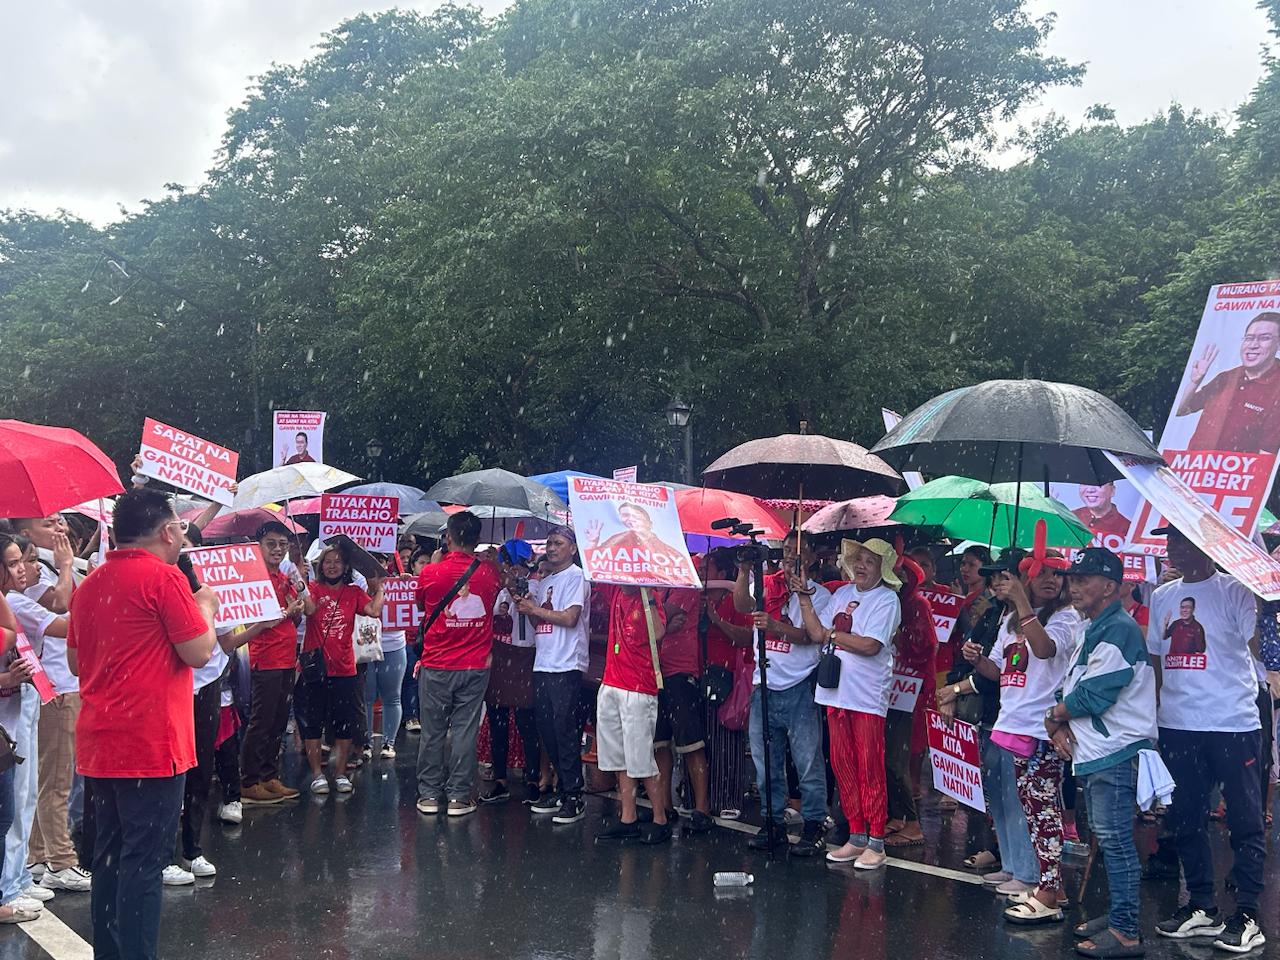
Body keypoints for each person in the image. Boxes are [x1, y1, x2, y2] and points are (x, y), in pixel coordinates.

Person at [67, 489, 219, 960]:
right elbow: (199, 650)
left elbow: (75, 661)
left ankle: (110, 953)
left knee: (109, 860)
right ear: (167, 530)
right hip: (152, 745)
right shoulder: (165, 579)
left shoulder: (91, 583)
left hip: (101, 741)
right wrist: (208, 607)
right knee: (143, 864)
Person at [1148, 525, 1266, 952]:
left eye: (1181, 539)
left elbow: (1259, 647)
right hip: (1179, 724)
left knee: (1244, 819)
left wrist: (1264, 594)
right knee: (1184, 817)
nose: (1173, 548)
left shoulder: (1236, 590)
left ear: (1206, 546)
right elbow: (1157, 661)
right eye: (1169, 540)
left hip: (1232, 724)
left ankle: (1248, 912)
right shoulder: (1161, 597)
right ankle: (1201, 905)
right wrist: (1156, 718)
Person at [1046, 547, 1157, 957]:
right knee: (1106, 838)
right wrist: (1058, 718)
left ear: (1110, 586)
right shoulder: (1093, 626)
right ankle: (1116, 918)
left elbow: (1094, 694)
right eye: (1072, 579)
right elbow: (1073, 682)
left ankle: (1126, 930)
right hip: (1094, 751)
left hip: (1113, 750)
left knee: (1115, 841)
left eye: (1084, 579)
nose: (1073, 586)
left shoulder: (1119, 629)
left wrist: (1053, 716)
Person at [965, 543, 1078, 923]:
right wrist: (976, 659)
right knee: (1020, 809)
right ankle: (1027, 873)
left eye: (1056, 573)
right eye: (1042, 572)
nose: (1051, 580)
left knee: (1043, 813)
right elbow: (998, 672)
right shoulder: (1012, 622)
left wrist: (1021, 603)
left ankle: (1043, 884)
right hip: (1010, 723)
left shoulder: (1066, 617)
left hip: (1042, 729)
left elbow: (1044, 650)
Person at [795, 538, 901, 870]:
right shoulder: (842, 594)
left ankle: (877, 841)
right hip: (835, 692)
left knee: (870, 768)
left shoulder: (887, 599)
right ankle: (856, 836)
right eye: (859, 559)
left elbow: (870, 645)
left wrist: (833, 636)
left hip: (866, 696)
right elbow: (815, 632)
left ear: (882, 568)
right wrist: (802, 597)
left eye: (870, 561)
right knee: (842, 764)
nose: (861, 566)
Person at [732, 532, 832, 855]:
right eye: (787, 549)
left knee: (807, 761)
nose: (791, 555)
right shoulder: (769, 583)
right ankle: (771, 821)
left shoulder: (822, 596)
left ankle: (815, 823)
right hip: (765, 684)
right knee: (765, 762)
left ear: (813, 556)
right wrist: (745, 570)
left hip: (799, 685)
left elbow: (812, 637)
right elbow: (742, 604)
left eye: (798, 551)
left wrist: (776, 627)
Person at [10, 538, 87, 895]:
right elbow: (63, 620)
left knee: (33, 786)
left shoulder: (15, 598)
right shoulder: (13, 601)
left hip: (38, 693)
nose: (28, 568)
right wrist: (69, 568)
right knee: (52, 783)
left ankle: (35, 859)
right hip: (50, 693)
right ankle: (61, 861)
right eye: (16, 563)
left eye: (23, 561)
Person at [414, 511, 501, 818]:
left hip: (436, 664)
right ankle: (458, 797)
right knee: (464, 732)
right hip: (475, 665)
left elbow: (420, 604)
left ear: (448, 538)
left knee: (433, 732)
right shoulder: (490, 573)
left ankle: (428, 795)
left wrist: (437, 563)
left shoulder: (430, 573)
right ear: (477, 540)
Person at [517, 527, 591, 824]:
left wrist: (536, 609)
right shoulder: (546, 580)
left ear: (573, 548)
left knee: (564, 730)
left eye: (558, 543)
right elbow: (542, 619)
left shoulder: (576, 577)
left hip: (567, 663)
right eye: (549, 543)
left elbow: (571, 618)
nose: (551, 547)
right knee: (547, 729)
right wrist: (527, 609)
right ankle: (561, 788)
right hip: (543, 663)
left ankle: (574, 794)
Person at [296, 543, 383, 795]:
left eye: (337, 561)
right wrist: (301, 583)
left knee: (344, 723)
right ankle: (316, 775)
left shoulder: (354, 592)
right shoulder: (314, 588)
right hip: (316, 669)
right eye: (327, 561)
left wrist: (379, 590)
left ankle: (341, 773)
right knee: (313, 723)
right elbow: (310, 609)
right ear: (320, 566)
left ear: (346, 567)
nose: (332, 566)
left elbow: (373, 611)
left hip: (345, 669)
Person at [240, 523, 312, 805]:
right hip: (265, 657)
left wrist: (297, 596)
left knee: (279, 719)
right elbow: (261, 619)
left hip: (285, 656)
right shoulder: (255, 578)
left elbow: (300, 613)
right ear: (259, 544)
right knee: (262, 720)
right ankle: (249, 780)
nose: (278, 549)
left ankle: (269, 776)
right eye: (272, 544)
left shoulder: (284, 575)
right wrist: (287, 612)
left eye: (283, 544)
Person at [593, 584, 669, 845]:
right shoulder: (614, 590)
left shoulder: (650, 596)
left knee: (641, 758)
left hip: (639, 687)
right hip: (611, 683)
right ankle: (629, 818)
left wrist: (647, 597)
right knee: (619, 757)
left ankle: (660, 819)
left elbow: (658, 633)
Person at [480, 540, 540, 805]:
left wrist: (511, 583)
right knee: (498, 722)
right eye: (508, 563)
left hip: (525, 657)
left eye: (517, 563)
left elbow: (530, 608)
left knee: (527, 723)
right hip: (499, 656)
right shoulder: (497, 588)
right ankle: (501, 780)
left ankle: (533, 779)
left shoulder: (535, 585)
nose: (513, 569)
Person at [883, 553, 936, 850]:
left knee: (898, 757)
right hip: (893, 687)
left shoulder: (918, 604)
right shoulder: (893, 601)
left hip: (912, 690)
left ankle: (912, 823)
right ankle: (898, 814)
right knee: (888, 754)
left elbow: (926, 646)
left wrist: (899, 635)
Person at [1174, 313, 1280, 454]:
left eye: (1264, 338)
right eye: (1249, 338)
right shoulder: (1226, 378)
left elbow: (1267, 455)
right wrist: (1194, 382)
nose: (1253, 345)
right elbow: (1181, 410)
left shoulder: (1276, 387)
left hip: (1236, 474)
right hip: (1195, 469)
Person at [582, 502, 698, 586]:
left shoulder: (669, 551)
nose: (630, 519)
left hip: (647, 601)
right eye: (625, 515)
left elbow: (681, 577)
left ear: (649, 523)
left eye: (635, 516)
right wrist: (592, 542)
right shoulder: (617, 539)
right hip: (618, 597)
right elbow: (592, 564)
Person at [365, 553, 410, 761]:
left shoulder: (399, 582)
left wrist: (408, 585)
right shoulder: (357, 581)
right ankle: (365, 742)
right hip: (364, 646)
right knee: (366, 697)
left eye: (381, 561)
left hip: (393, 646)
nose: (378, 565)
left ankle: (388, 742)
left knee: (392, 696)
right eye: (373, 561)